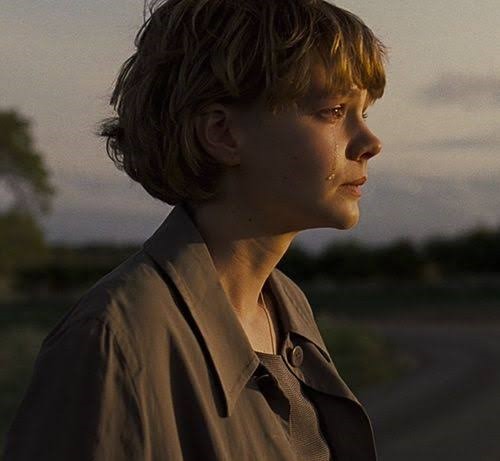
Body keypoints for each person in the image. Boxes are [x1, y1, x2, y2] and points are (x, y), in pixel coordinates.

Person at [4, 0, 386, 459]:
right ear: (222, 133)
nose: (370, 142)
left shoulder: (287, 306)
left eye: (365, 113)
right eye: (334, 110)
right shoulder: (112, 343)